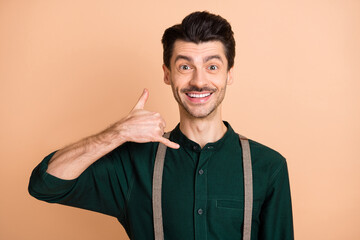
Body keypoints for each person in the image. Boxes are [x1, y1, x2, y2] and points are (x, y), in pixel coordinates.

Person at [28, 11, 294, 240]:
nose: (199, 81)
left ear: (229, 74)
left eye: (212, 66)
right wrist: (117, 133)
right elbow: (45, 184)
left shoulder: (268, 167)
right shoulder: (136, 164)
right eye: (185, 67)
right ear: (167, 74)